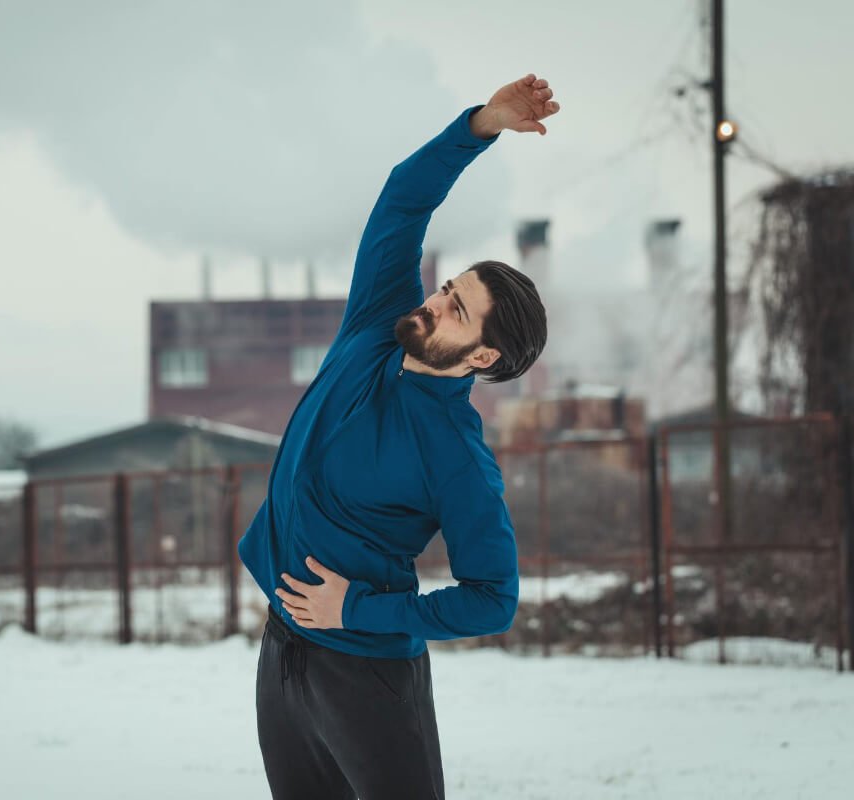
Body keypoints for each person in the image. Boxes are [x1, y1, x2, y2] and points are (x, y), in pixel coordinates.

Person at [236, 73, 558, 799]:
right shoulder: (378, 324)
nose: (435, 303)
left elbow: (492, 597)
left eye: (457, 311)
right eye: (449, 289)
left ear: (483, 358)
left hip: (367, 678)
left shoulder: (457, 456)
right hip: (284, 654)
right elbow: (402, 200)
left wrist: (357, 610)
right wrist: (479, 125)